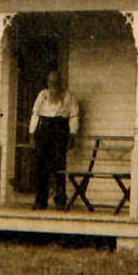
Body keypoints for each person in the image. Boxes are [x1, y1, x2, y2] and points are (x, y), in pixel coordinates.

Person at [28, 70, 80, 210]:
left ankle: (60, 200)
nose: (54, 86)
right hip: (44, 129)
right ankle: (40, 200)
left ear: (61, 83)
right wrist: (32, 134)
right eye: (51, 82)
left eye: (56, 83)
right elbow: (35, 115)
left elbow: (74, 116)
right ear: (48, 83)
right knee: (41, 166)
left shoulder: (68, 96)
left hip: (60, 129)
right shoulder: (43, 95)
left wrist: (72, 135)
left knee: (59, 166)